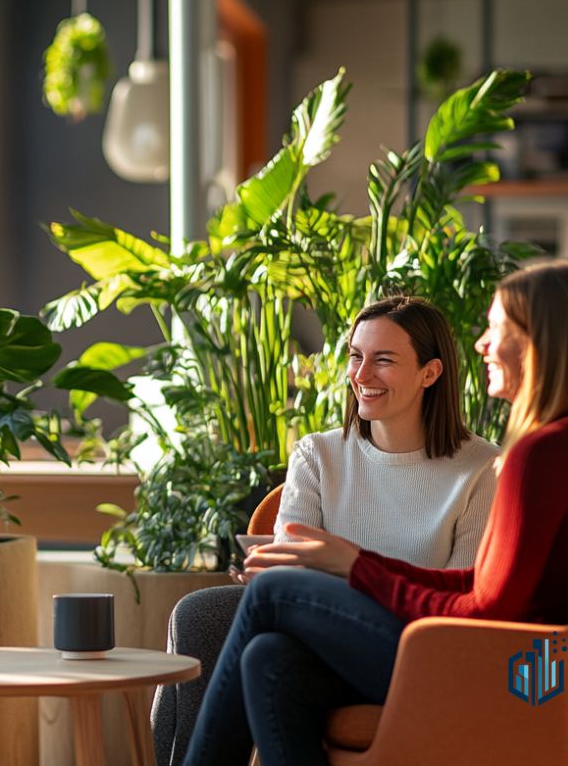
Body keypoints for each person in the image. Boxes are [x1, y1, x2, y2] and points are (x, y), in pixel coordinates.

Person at [182, 261, 568, 766]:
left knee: (273, 592)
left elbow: (484, 614)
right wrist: (356, 560)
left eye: (496, 329)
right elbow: (487, 589)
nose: (481, 344)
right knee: (270, 661)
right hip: (541, 669)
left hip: (517, 677)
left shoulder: (542, 453)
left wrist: (356, 568)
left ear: (541, 342)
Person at [153, 295, 499, 766]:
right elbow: (291, 568)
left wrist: (342, 575)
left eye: (384, 360)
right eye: (356, 356)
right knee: (261, 656)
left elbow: (459, 607)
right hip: (324, 651)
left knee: (271, 597)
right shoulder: (319, 455)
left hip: (422, 651)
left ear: (430, 373)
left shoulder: (480, 468)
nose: (361, 374)